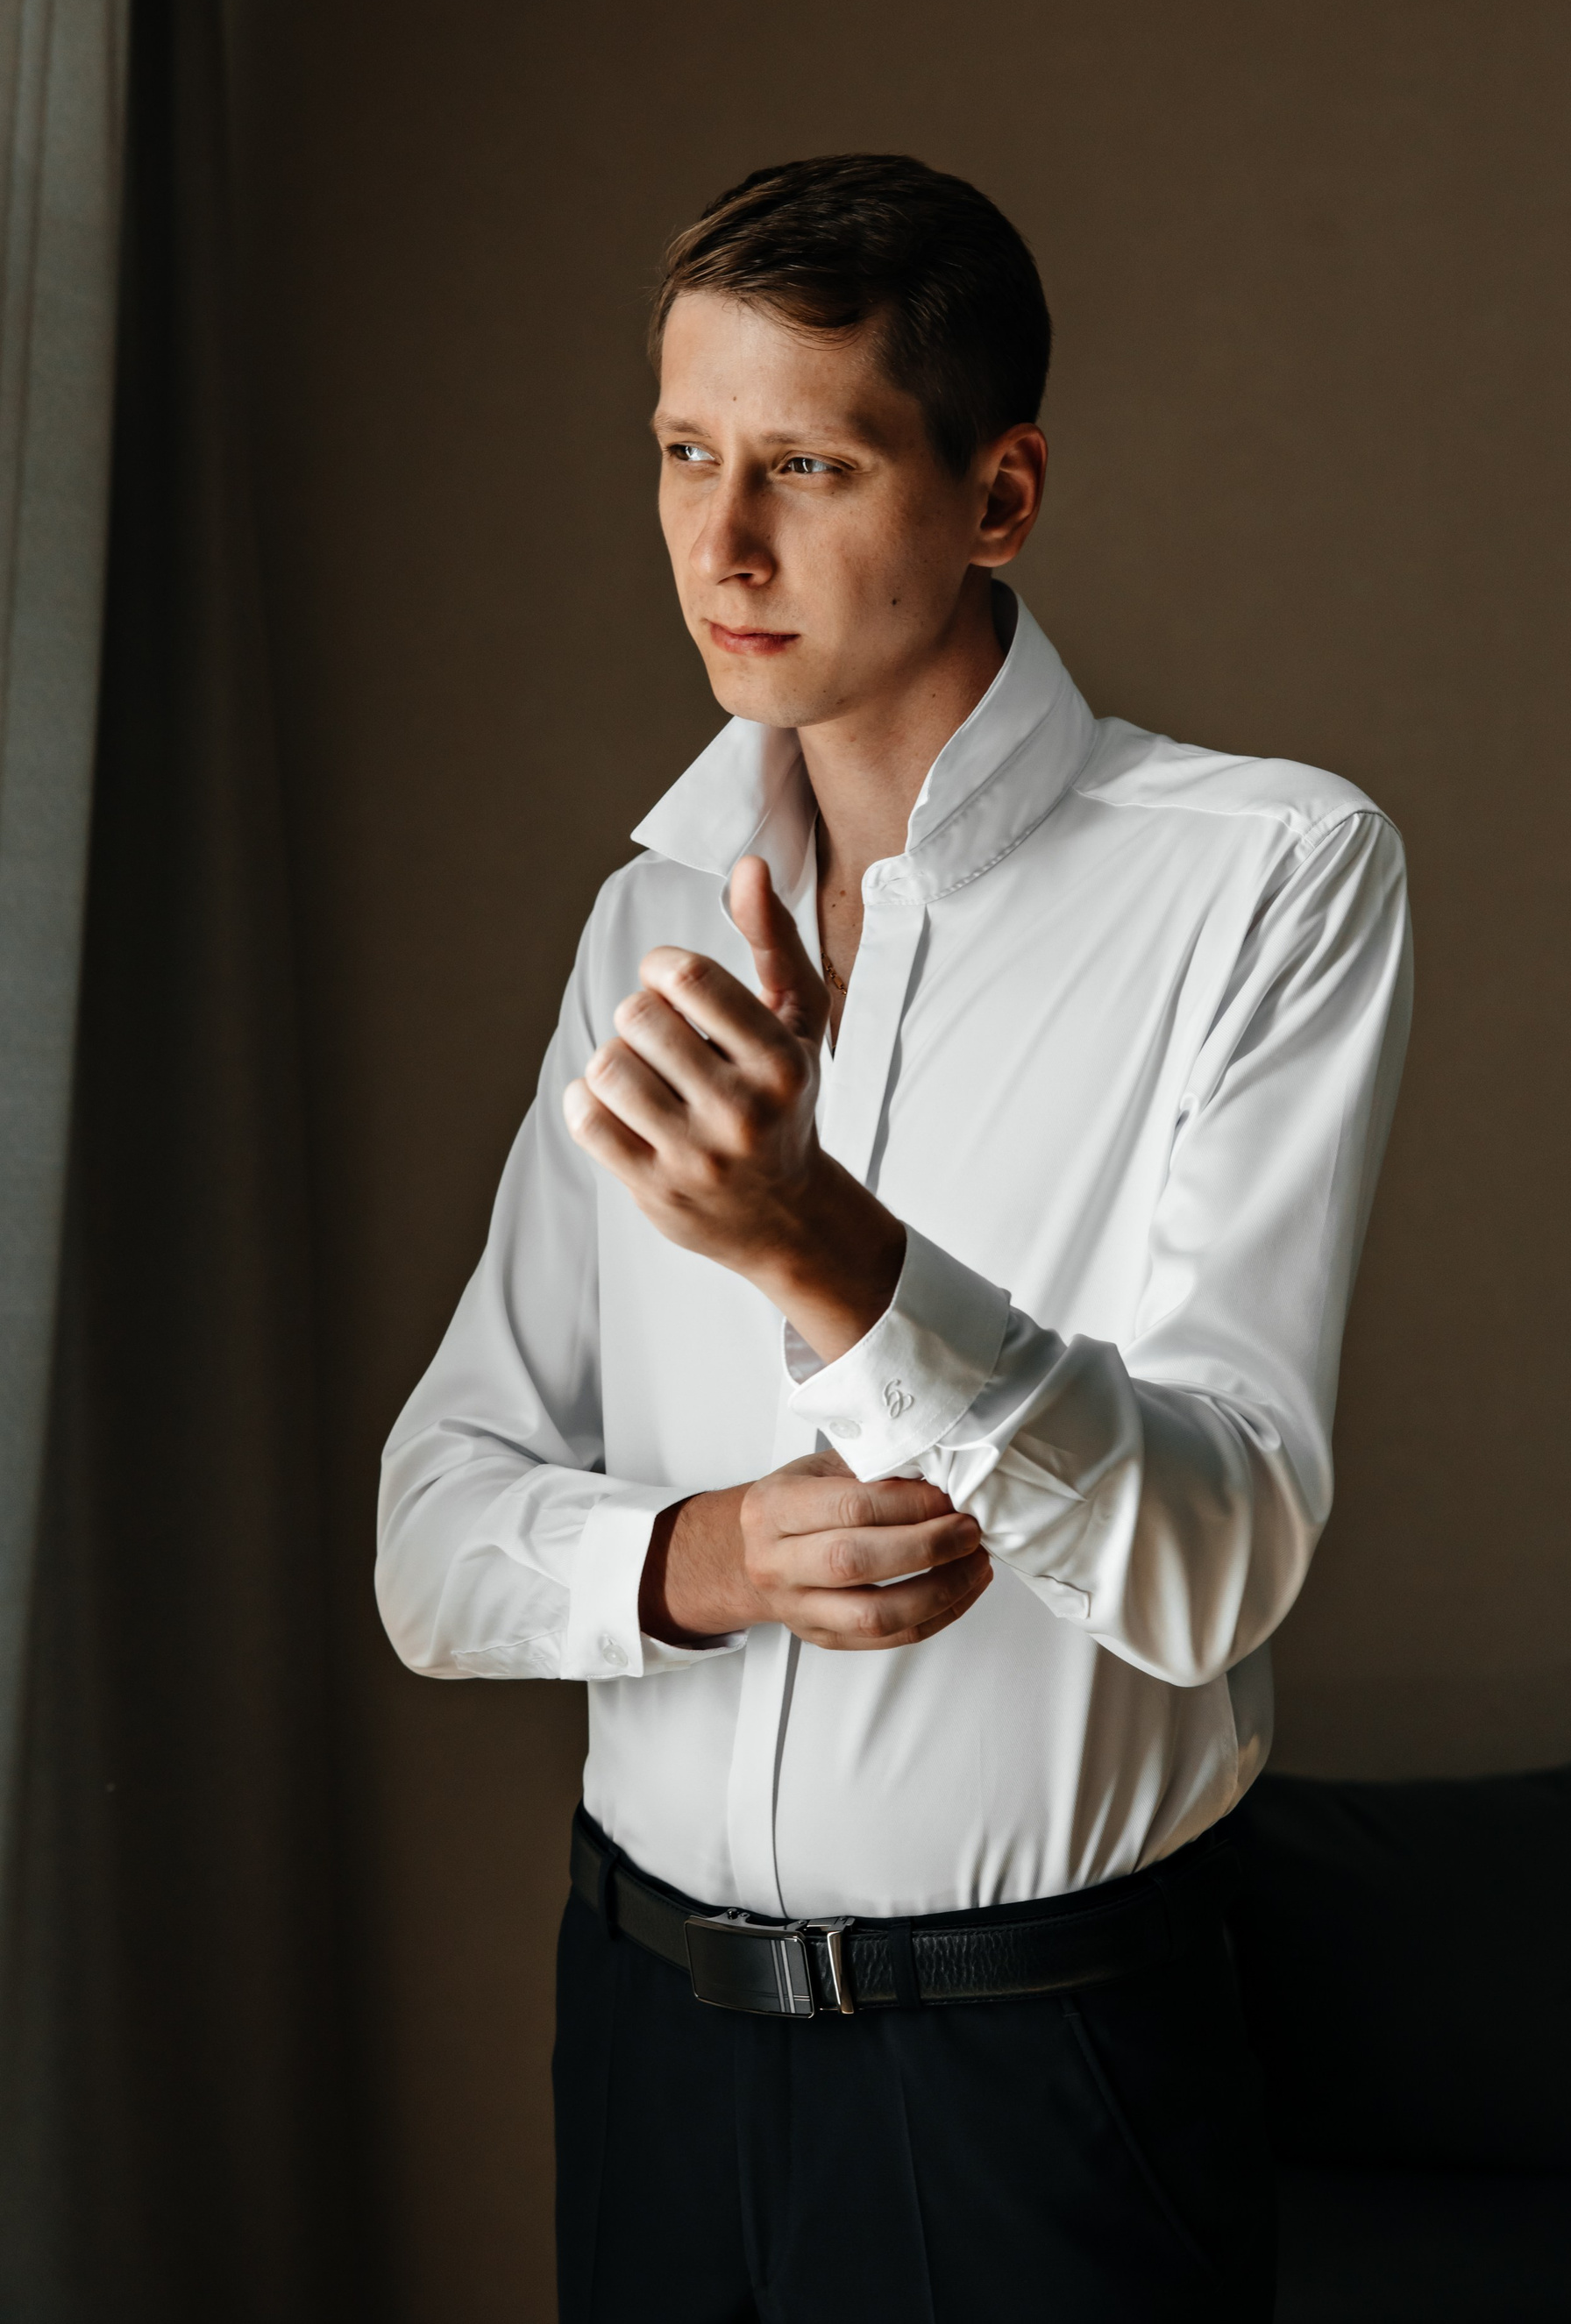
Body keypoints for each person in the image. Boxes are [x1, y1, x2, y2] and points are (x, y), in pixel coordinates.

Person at [376, 153, 1411, 2324]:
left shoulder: (1269, 876)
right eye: (684, 453)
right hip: (644, 2043)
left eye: (809, 466)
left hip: (1037, 2081)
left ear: (998, 493)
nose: (720, 544)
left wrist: (828, 1255)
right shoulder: (649, 919)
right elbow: (431, 1538)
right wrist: (703, 1561)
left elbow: (1217, 1564)